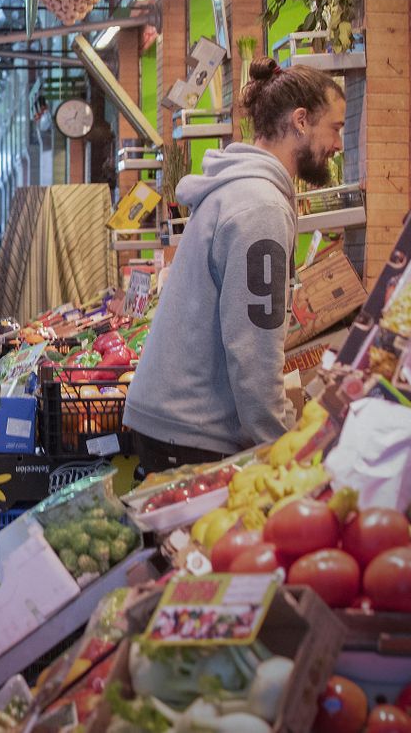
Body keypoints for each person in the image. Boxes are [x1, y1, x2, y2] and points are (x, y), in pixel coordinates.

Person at [124, 60, 344, 474]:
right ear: (301, 121)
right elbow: (254, 345)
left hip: (175, 422)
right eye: (334, 127)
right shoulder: (259, 207)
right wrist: (282, 449)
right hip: (192, 433)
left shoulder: (240, 191)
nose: (337, 144)